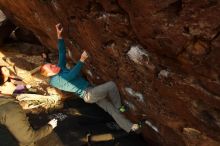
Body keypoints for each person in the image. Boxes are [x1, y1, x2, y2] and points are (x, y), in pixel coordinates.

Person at [40, 23, 141, 133]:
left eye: (52, 64)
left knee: (110, 109)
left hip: (91, 89)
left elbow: (62, 53)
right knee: (111, 85)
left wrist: (59, 36)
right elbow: (70, 76)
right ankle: (119, 107)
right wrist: (81, 60)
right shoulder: (55, 81)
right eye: (51, 67)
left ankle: (131, 127)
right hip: (88, 94)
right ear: (49, 74)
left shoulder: (59, 68)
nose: (54, 65)